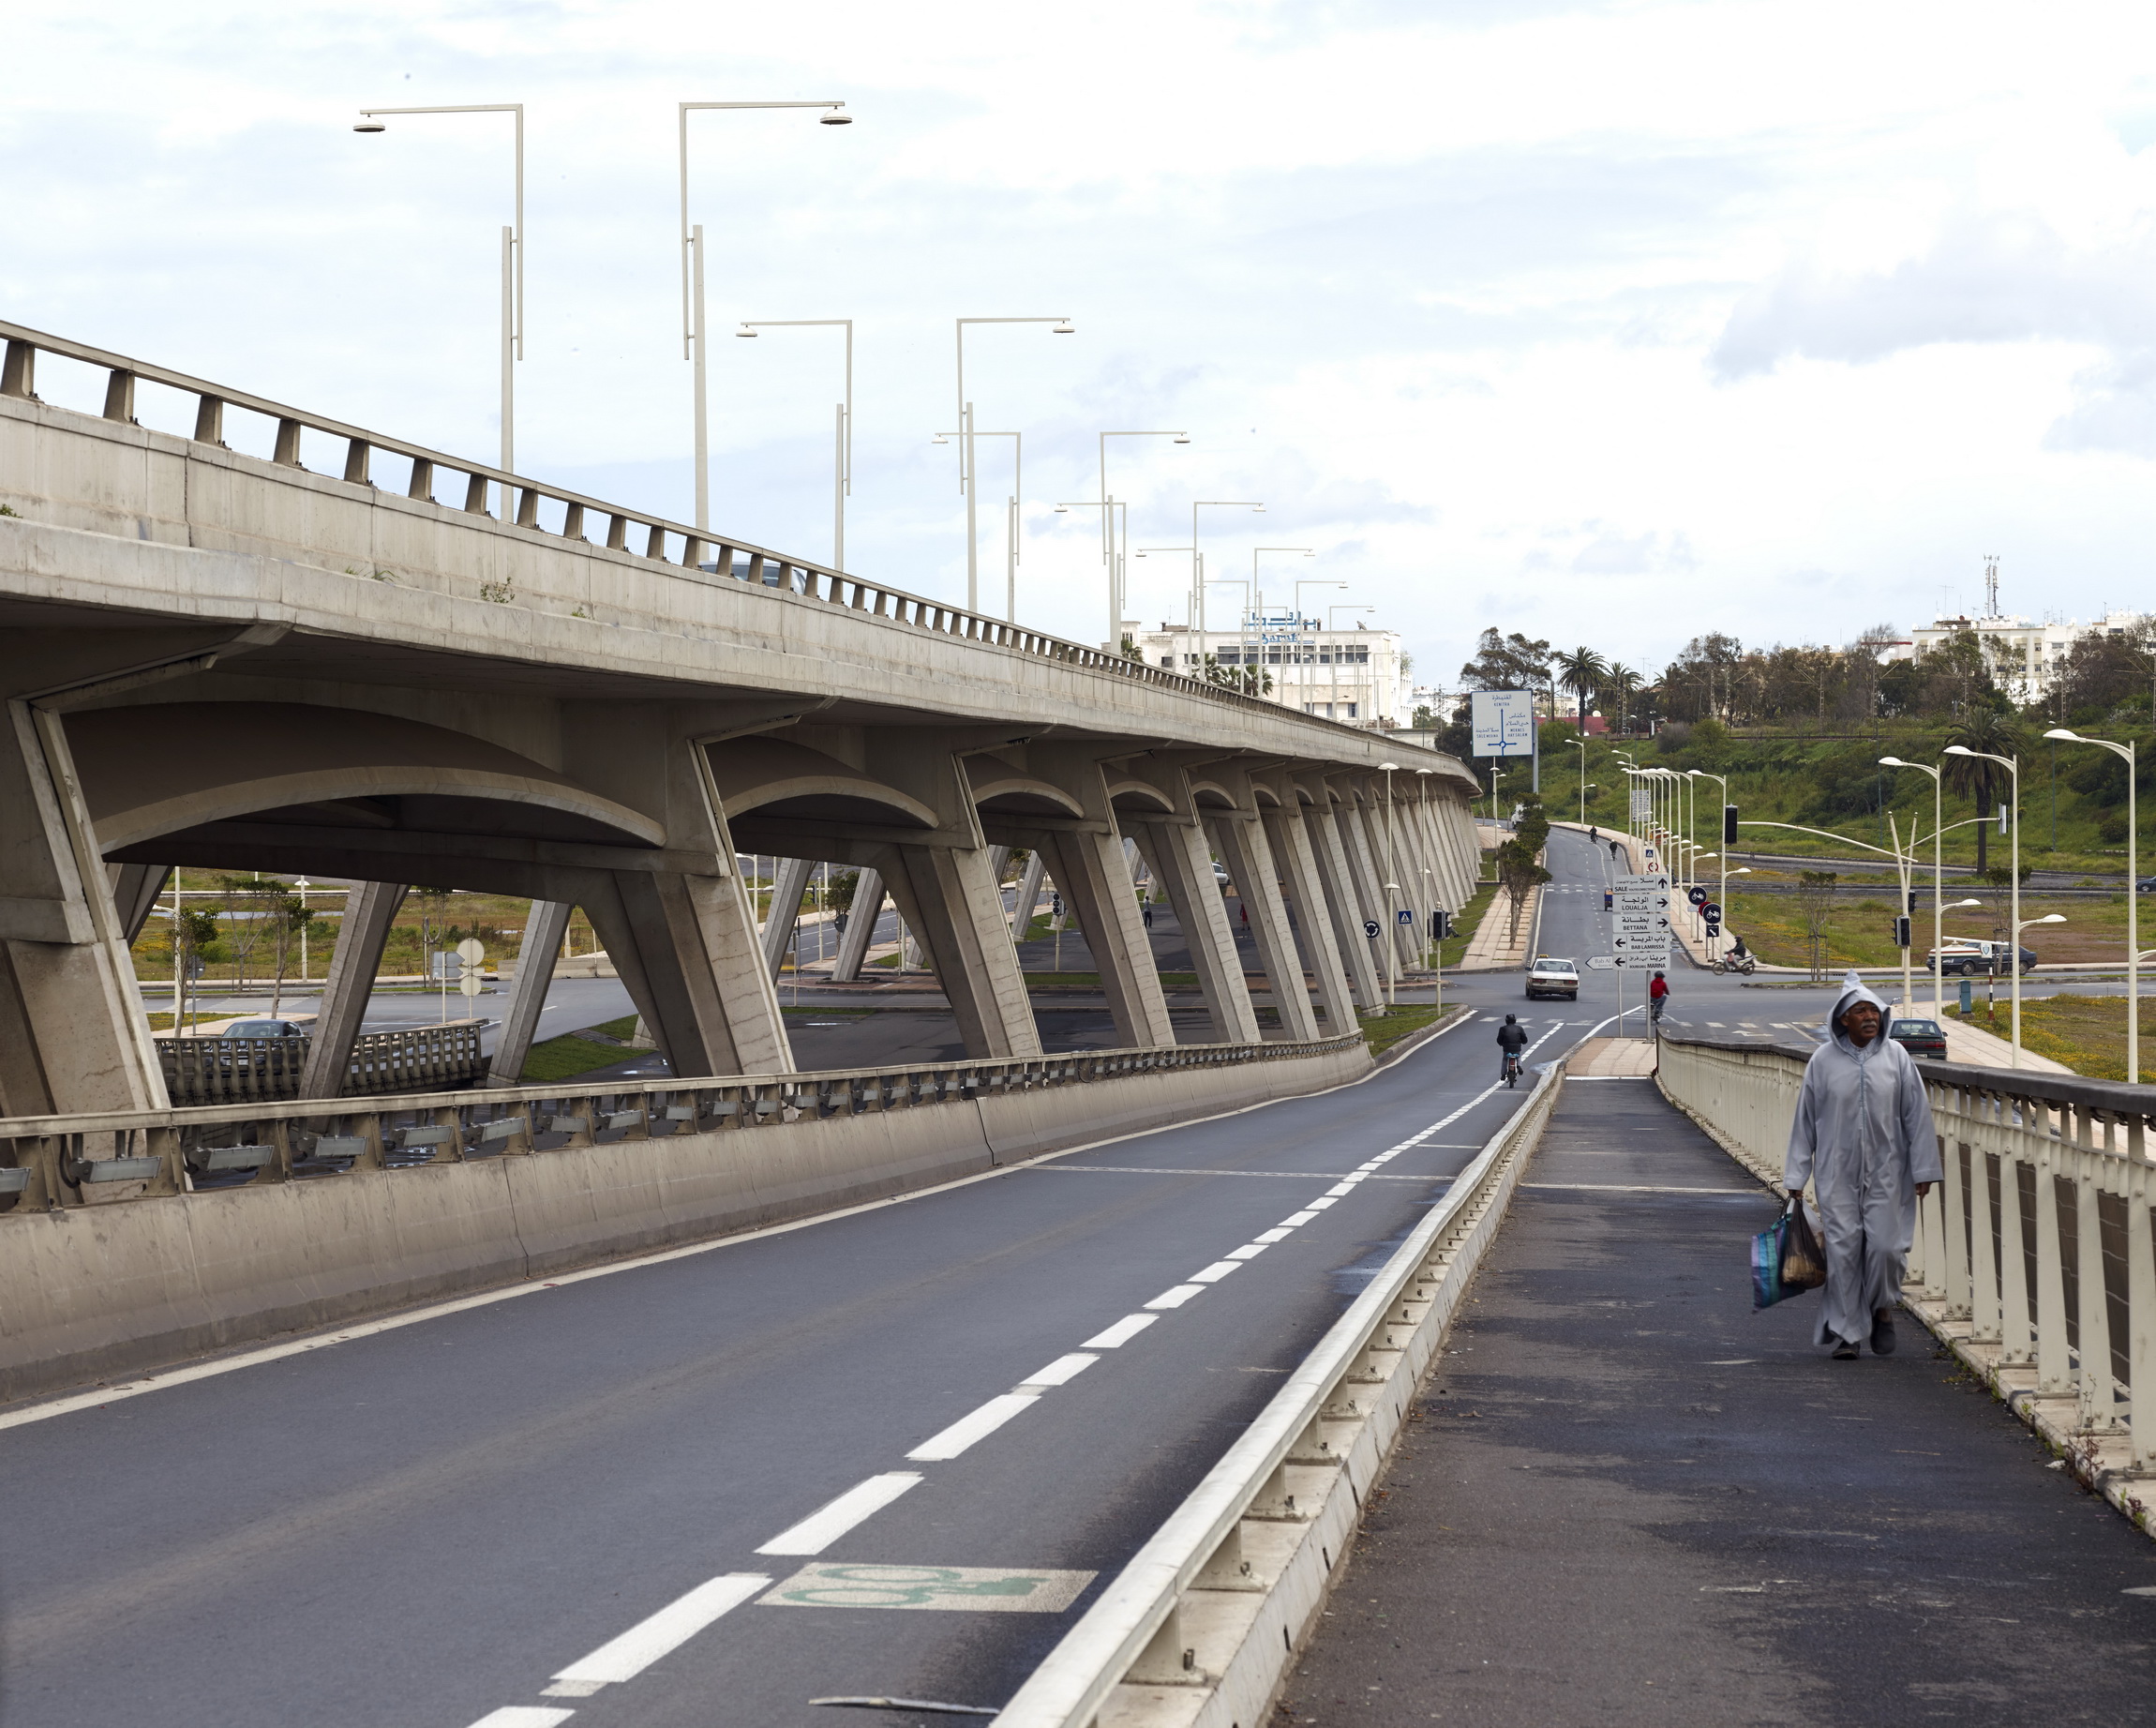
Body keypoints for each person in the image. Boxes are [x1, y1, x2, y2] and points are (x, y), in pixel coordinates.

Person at [1785, 971, 1941, 1360]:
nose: (1870, 1017)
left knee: (1887, 1249)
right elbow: (1805, 1120)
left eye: (1874, 1010)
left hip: (1890, 1170)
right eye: (1860, 1011)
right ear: (1843, 1019)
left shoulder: (1897, 1058)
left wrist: (1924, 1169)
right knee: (1843, 1252)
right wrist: (1795, 1176)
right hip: (1836, 1172)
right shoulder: (1822, 1062)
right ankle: (1848, 1334)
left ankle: (1882, 1308)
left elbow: (1916, 1115)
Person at [1495, 1013, 1528, 1083]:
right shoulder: (1519, 1028)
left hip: (1507, 1049)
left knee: (1505, 1059)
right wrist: (1523, 1042)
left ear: (1506, 1021)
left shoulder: (1502, 1029)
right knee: (1518, 1056)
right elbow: (1524, 1039)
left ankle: (1503, 1074)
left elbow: (1499, 1039)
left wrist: (1501, 1044)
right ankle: (1519, 1066)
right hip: (1516, 1049)